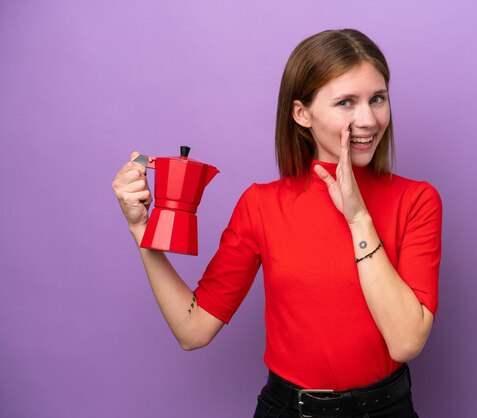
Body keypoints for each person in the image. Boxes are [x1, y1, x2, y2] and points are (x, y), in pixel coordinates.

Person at [112, 28, 442, 418]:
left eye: (377, 98)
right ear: (302, 113)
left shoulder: (417, 201)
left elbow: (405, 343)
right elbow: (192, 330)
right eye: (346, 103)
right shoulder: (262, 205)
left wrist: (358, 218)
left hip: (385, 410)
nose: (368, 119)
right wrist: (141, 231)